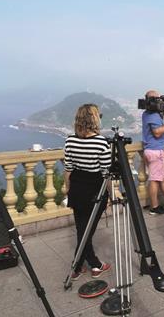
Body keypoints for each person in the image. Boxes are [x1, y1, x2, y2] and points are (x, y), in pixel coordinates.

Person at [64, 104, 111, 280]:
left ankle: (93, 263)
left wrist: (68, 188)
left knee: (83, 229)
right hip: (94, 190)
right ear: (94, 118)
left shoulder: (70, 140)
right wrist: (114, 194)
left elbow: (68, 168)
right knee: (87, 231)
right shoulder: (100, 142)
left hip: (77, 187)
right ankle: (77, 266)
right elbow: (106, 172)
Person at [142, 90, 164, 215]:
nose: (160, 102)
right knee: (154, 180)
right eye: (157, 99)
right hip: (155, 150)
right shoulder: (153, 115)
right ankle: (154, 207)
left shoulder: (147, 113)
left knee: (161, 179)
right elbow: (157, 133)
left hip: (152, 150)